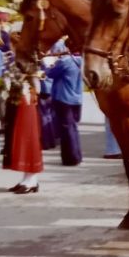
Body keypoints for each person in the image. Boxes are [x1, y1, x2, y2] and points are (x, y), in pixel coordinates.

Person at [43, 38, 83, 166]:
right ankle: (77, 154)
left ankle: (70, 157)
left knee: (66, 129)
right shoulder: (81, 61)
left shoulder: (65, 61)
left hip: (64, 97)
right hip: (77, 97)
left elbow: (50, 73)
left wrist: (48, 65)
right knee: (74, 127)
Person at [8, 77, 43, 194]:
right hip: (22, 110)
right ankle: (27, 178)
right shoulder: (20, 76)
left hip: (29, 110)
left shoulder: (32, 77)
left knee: (29, 141)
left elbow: (36, 90)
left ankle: (32, 180)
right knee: (23, 142)